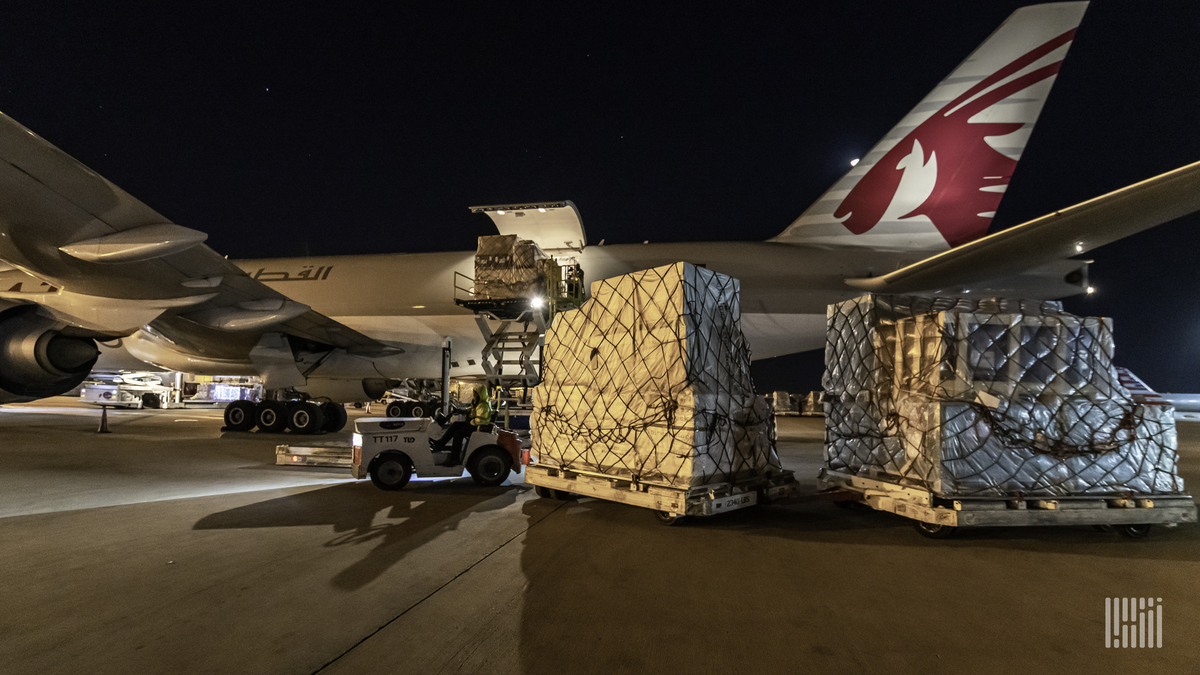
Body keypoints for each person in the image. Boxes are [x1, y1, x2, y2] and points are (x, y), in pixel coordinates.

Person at [432, 385, 493, 465]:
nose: (474, 395)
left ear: (480, 394)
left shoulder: (483, 405)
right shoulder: (477, 403)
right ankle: (440, 444)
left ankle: (455, 459)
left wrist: (470, 422)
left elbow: (480, 420)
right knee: (455, 425)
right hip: (474, 424)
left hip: (477, 426)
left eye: (475, 394)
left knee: (458, 434)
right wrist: (460, 410)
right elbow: (471, 410)